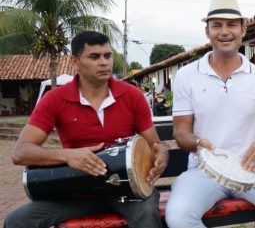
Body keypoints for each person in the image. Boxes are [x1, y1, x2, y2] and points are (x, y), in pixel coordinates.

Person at [5, 31, 169, 228]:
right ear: (75, 62)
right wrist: (68, 156)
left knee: (146, 213)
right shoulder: (54, 99)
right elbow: (20, 153)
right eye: (94, 56)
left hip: (127, 190)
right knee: (17, 220)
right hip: (75, 191)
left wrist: (162, 155)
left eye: (107, 56)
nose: (104, 62)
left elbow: (155, 145)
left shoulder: (132, 96)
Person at [165, 0, 255, 228]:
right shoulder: (187, 76)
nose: (225, 32)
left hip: (251, 168)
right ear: (207, 32)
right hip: (203, 171)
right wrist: (197, 143)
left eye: (232, 25)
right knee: (178, 216)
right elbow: (181, 132)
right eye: (217, 25)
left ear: (243, 30)